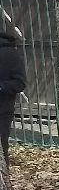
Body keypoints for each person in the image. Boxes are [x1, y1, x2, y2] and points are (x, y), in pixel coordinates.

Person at [0, 23, 25, 167]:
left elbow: (20, 82)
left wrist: (1, 87)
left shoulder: (10, 54)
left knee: (2, 146)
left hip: (2, 108)